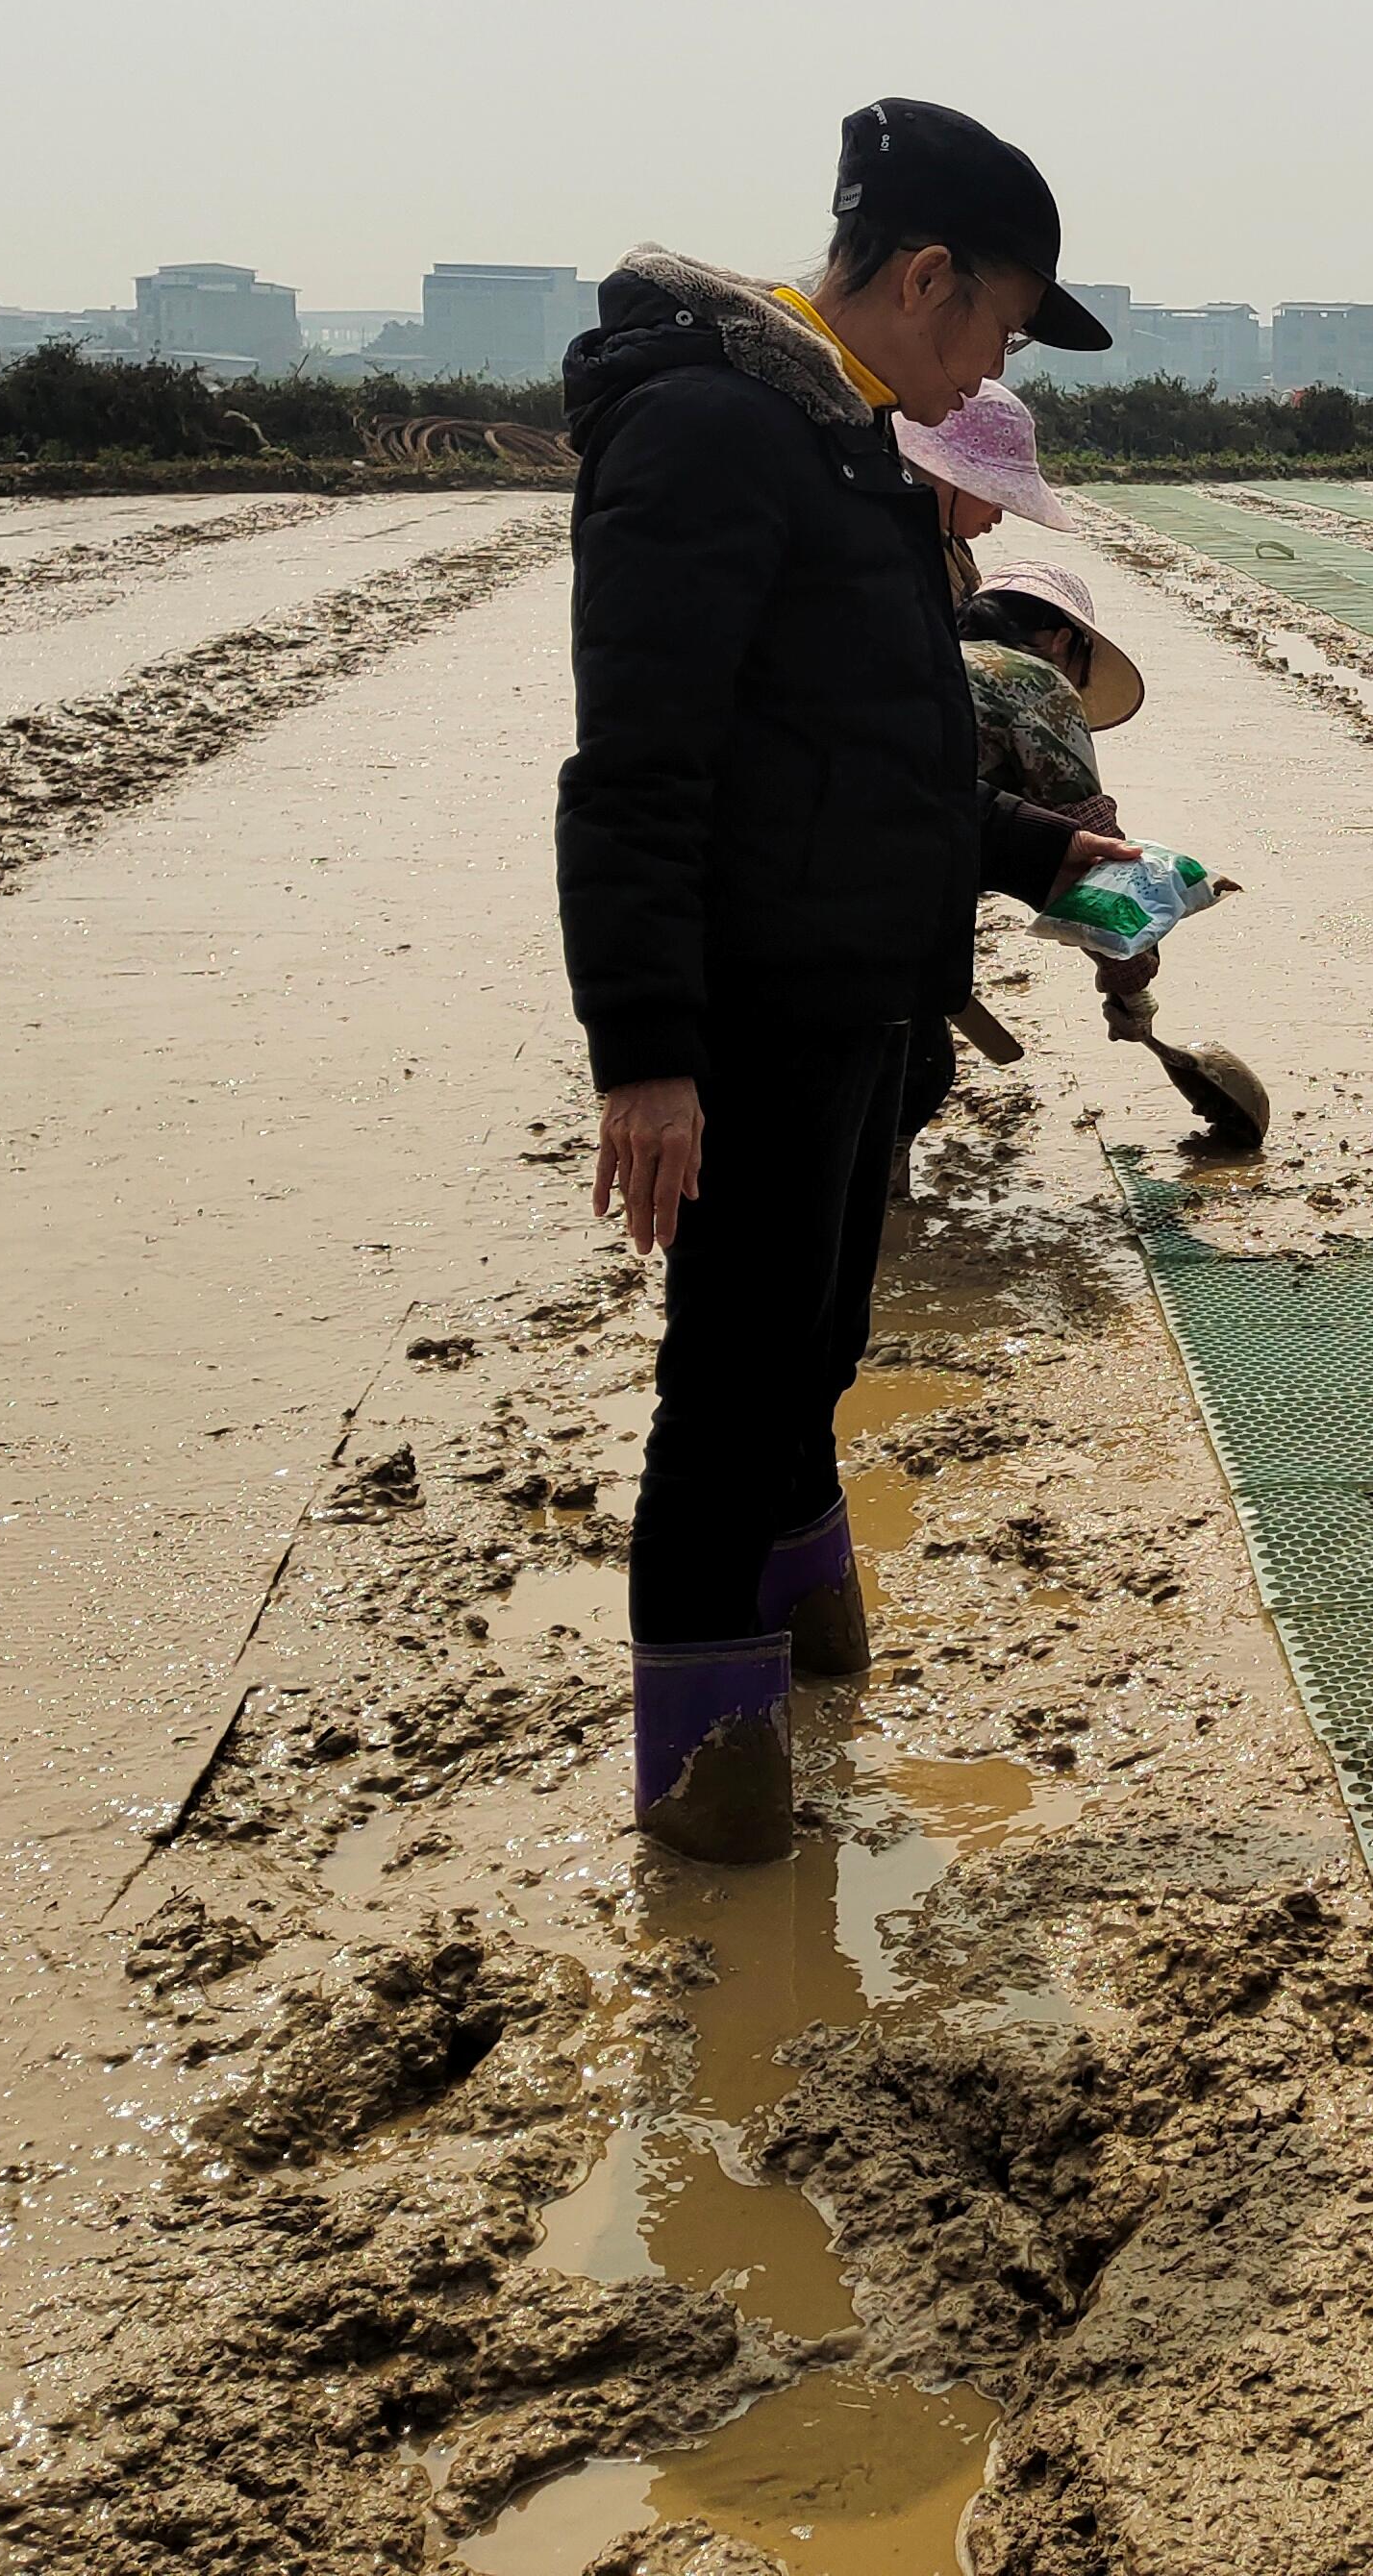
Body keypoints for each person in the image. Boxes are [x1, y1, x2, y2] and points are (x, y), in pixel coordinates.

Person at [556, 96, 1132, 1862]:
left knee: (815, 1343)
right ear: (926, 274)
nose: (997, 366)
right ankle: (709, 1798)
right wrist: (647, 1053)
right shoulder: (716, 436)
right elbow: (637, 763)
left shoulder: (849, 444)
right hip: (754, 1000)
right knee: (728, 1382)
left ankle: (804, 1655)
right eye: (1003, 325)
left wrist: (1038, 859)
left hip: (858, 992)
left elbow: (877, 755)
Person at [887, 557, 1155, 1188]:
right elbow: (1091, 855)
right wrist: (1130, 983)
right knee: (910, 1072)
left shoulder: (913, 653)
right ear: (1064, 641)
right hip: (900, 878)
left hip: (823, 866)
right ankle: (879, 1225)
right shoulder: (1035, 680)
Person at [901, 379, 1070, 606]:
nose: (998, 518)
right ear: (957, 478)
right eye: (997, 500)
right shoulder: (898, 554)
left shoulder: (946, 540)